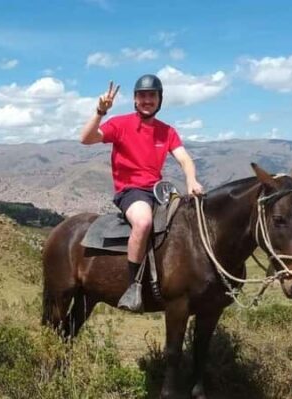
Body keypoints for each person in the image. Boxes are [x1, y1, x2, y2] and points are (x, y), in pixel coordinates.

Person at [79, 74, 204, 312]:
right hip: (131, 191)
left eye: (152, 96)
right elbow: (86, 139)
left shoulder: (167, 131)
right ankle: (133, 286)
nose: (147, 100)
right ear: (135, 100)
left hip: (159, 191)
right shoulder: (120, 124)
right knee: (144, 222)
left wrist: (191, 180)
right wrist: (100, 111)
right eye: (142, 96)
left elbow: (184, 159)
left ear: (159, 99)